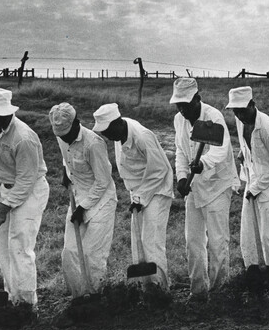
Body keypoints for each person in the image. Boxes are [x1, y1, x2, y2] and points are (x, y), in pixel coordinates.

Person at [0, 88, 49, 312]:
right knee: (3, 248)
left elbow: (26, 180)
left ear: (10, 113)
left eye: (0, 115)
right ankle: (13, 298)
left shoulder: (24, 138)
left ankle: (28, 305)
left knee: (20, 246)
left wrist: (2, 207)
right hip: (6, 187)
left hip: (30, 191)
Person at [93, 103, 173, 291]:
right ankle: (146, 288)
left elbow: (159, 169)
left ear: (118, 123)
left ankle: (161, 290)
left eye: (107, 131)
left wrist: (141, 198)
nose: (106, 136)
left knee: (151, 240)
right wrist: (136, 197)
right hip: (138, 191)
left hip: (157, 189)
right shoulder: (118, 133)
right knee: (138, 240)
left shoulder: (142, 136)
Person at [171, 78, 238, 301]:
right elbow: (181, 151)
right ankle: (198, 290)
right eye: (178, 106)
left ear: (197, 99)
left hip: (218, 184)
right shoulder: (179, 120)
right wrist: (181, 177)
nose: (182, 110)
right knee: (193, 241)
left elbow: (221, 150)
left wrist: (203, 163)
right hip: (195, 186)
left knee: (218, 241)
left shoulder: (213, 117)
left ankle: (220, 292)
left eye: (186, 105)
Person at [50, 102, 117, 299]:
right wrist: (65, 171)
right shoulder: (62, 135)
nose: (63, 138)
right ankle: (79, 298)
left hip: (101, 200)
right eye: (59, 134)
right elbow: (66, 156)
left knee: (91, 254)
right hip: (78, 196)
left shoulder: (94, 143)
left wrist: (84, 207)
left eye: (66, 134)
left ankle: (95, 297)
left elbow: (103, 180)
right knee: (70, 253)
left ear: (76, 123)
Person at [226, 86, 269, 269]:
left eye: (242, 110)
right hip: (254, 182)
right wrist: (243, 153)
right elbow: (252, 147)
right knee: (249, 236)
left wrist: (256, 188)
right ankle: (259, 278)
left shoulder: (267, 127)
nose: (239, 115)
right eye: (235, 112)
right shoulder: (241, 122)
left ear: (252, 104)